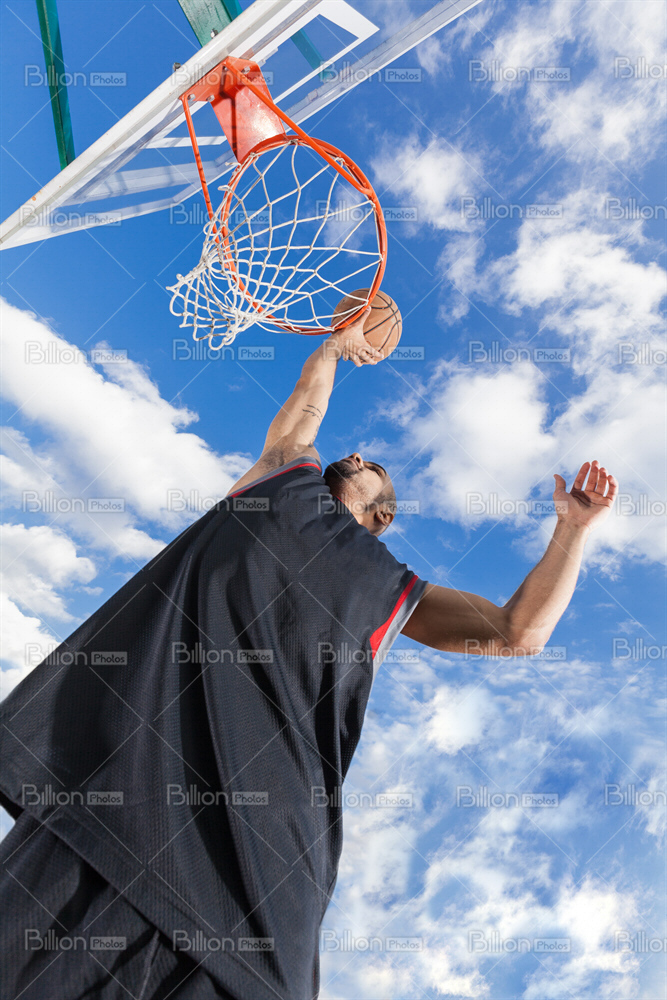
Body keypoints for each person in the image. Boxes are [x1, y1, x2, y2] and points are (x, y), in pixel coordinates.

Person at [0, 309, 617, 999]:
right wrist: (333, 347)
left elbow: (517, 633)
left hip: (252, 868)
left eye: (374, 468)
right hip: (116, 801)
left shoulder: (391, 588)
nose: (360, 456)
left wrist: (572, 530)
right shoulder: (279, 482)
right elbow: (306, 409)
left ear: (382, 516)